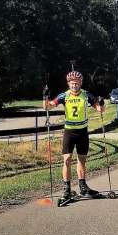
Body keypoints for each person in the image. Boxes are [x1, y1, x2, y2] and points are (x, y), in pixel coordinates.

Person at [43, 71, 105, 201]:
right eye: (72, 83)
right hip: (69, 132)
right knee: (66, 160)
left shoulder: (86, 95)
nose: (74, 85)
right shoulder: (64, 96)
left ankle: (83, 187)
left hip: (82, 132)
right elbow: (47, 108)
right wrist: (45, 97)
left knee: (82, 161)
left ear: (80, 83)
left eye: (77, 83)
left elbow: (100, 110)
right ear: (68, 84)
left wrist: (101, 103)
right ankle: (67, 189)